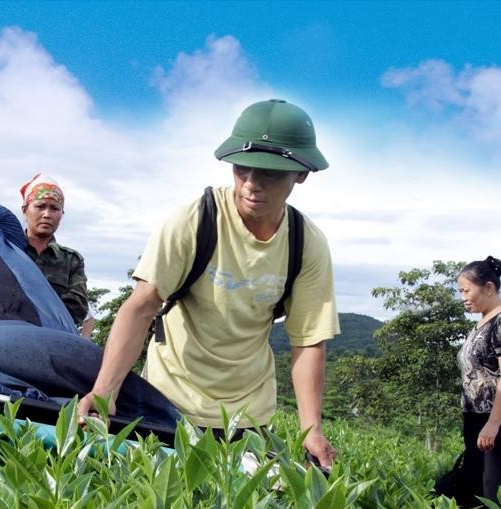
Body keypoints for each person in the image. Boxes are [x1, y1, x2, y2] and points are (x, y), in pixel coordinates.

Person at [78, 99, 340, 466]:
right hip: (168, 399)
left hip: (248, 414)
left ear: (301, 173)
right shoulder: (194, 220)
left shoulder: (306, 242)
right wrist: (104, 393)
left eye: (269, 174)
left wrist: (310, 428)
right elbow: (141, 306)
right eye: (242, 170)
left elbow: (309, 340)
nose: (251, 185)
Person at [454, 256, 501, 509]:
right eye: (460, 291)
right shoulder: (481, 322)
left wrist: (493, 424)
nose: (463, 297)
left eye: (466, 290)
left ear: (488, 287)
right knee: (474, 491)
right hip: (476, 418)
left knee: (495, 493)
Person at [19, 173, 90, 332]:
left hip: (55, 339)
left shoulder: (71, 260)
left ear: (61, 214)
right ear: (25, 210)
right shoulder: (9, 250)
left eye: (54, 208)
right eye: (40, 206)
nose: (47, 214)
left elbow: (78, 307)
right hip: (10, 336)